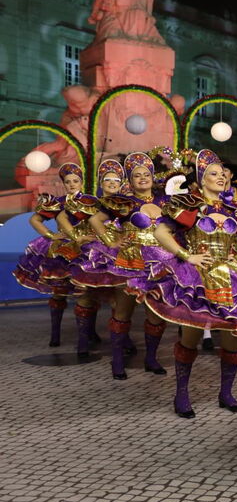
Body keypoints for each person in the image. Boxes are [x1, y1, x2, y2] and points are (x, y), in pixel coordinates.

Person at [139, 149, 237, 417]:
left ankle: (226, 393)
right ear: (201, 179)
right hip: (196, 279)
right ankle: (181, 393)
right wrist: (186, 255)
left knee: (233, 337)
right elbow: (160, 231)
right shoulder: (189, 205)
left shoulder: (234, 208)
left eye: (223, 174)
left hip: (230, 278)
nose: (221, 178)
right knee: (191, 336)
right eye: (214, 174)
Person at [78, 153, 172, 379]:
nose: (142, 178)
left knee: (157, 315)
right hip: (131, 261)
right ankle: (117, 362)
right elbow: (94, 220)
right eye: (136, 176)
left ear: (153, 177)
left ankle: (151, 358)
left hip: (160, 263)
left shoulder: (166, 202)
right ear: (130, 181)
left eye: (146, 175)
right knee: (123, 312)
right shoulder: (123, 202)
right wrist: (111, 240)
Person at [14, 163, 97, 353]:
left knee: (87, 292)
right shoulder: (58, 202)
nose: (71, 184)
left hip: (87, 248)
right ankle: (55, 334)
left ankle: (86, 337)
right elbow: (34, 219)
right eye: (68, 182)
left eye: (75, 181)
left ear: (82, 182)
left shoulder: (92, 201)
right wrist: (51, 235)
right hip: (63, 249)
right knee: (59, 292)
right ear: (64, 184)